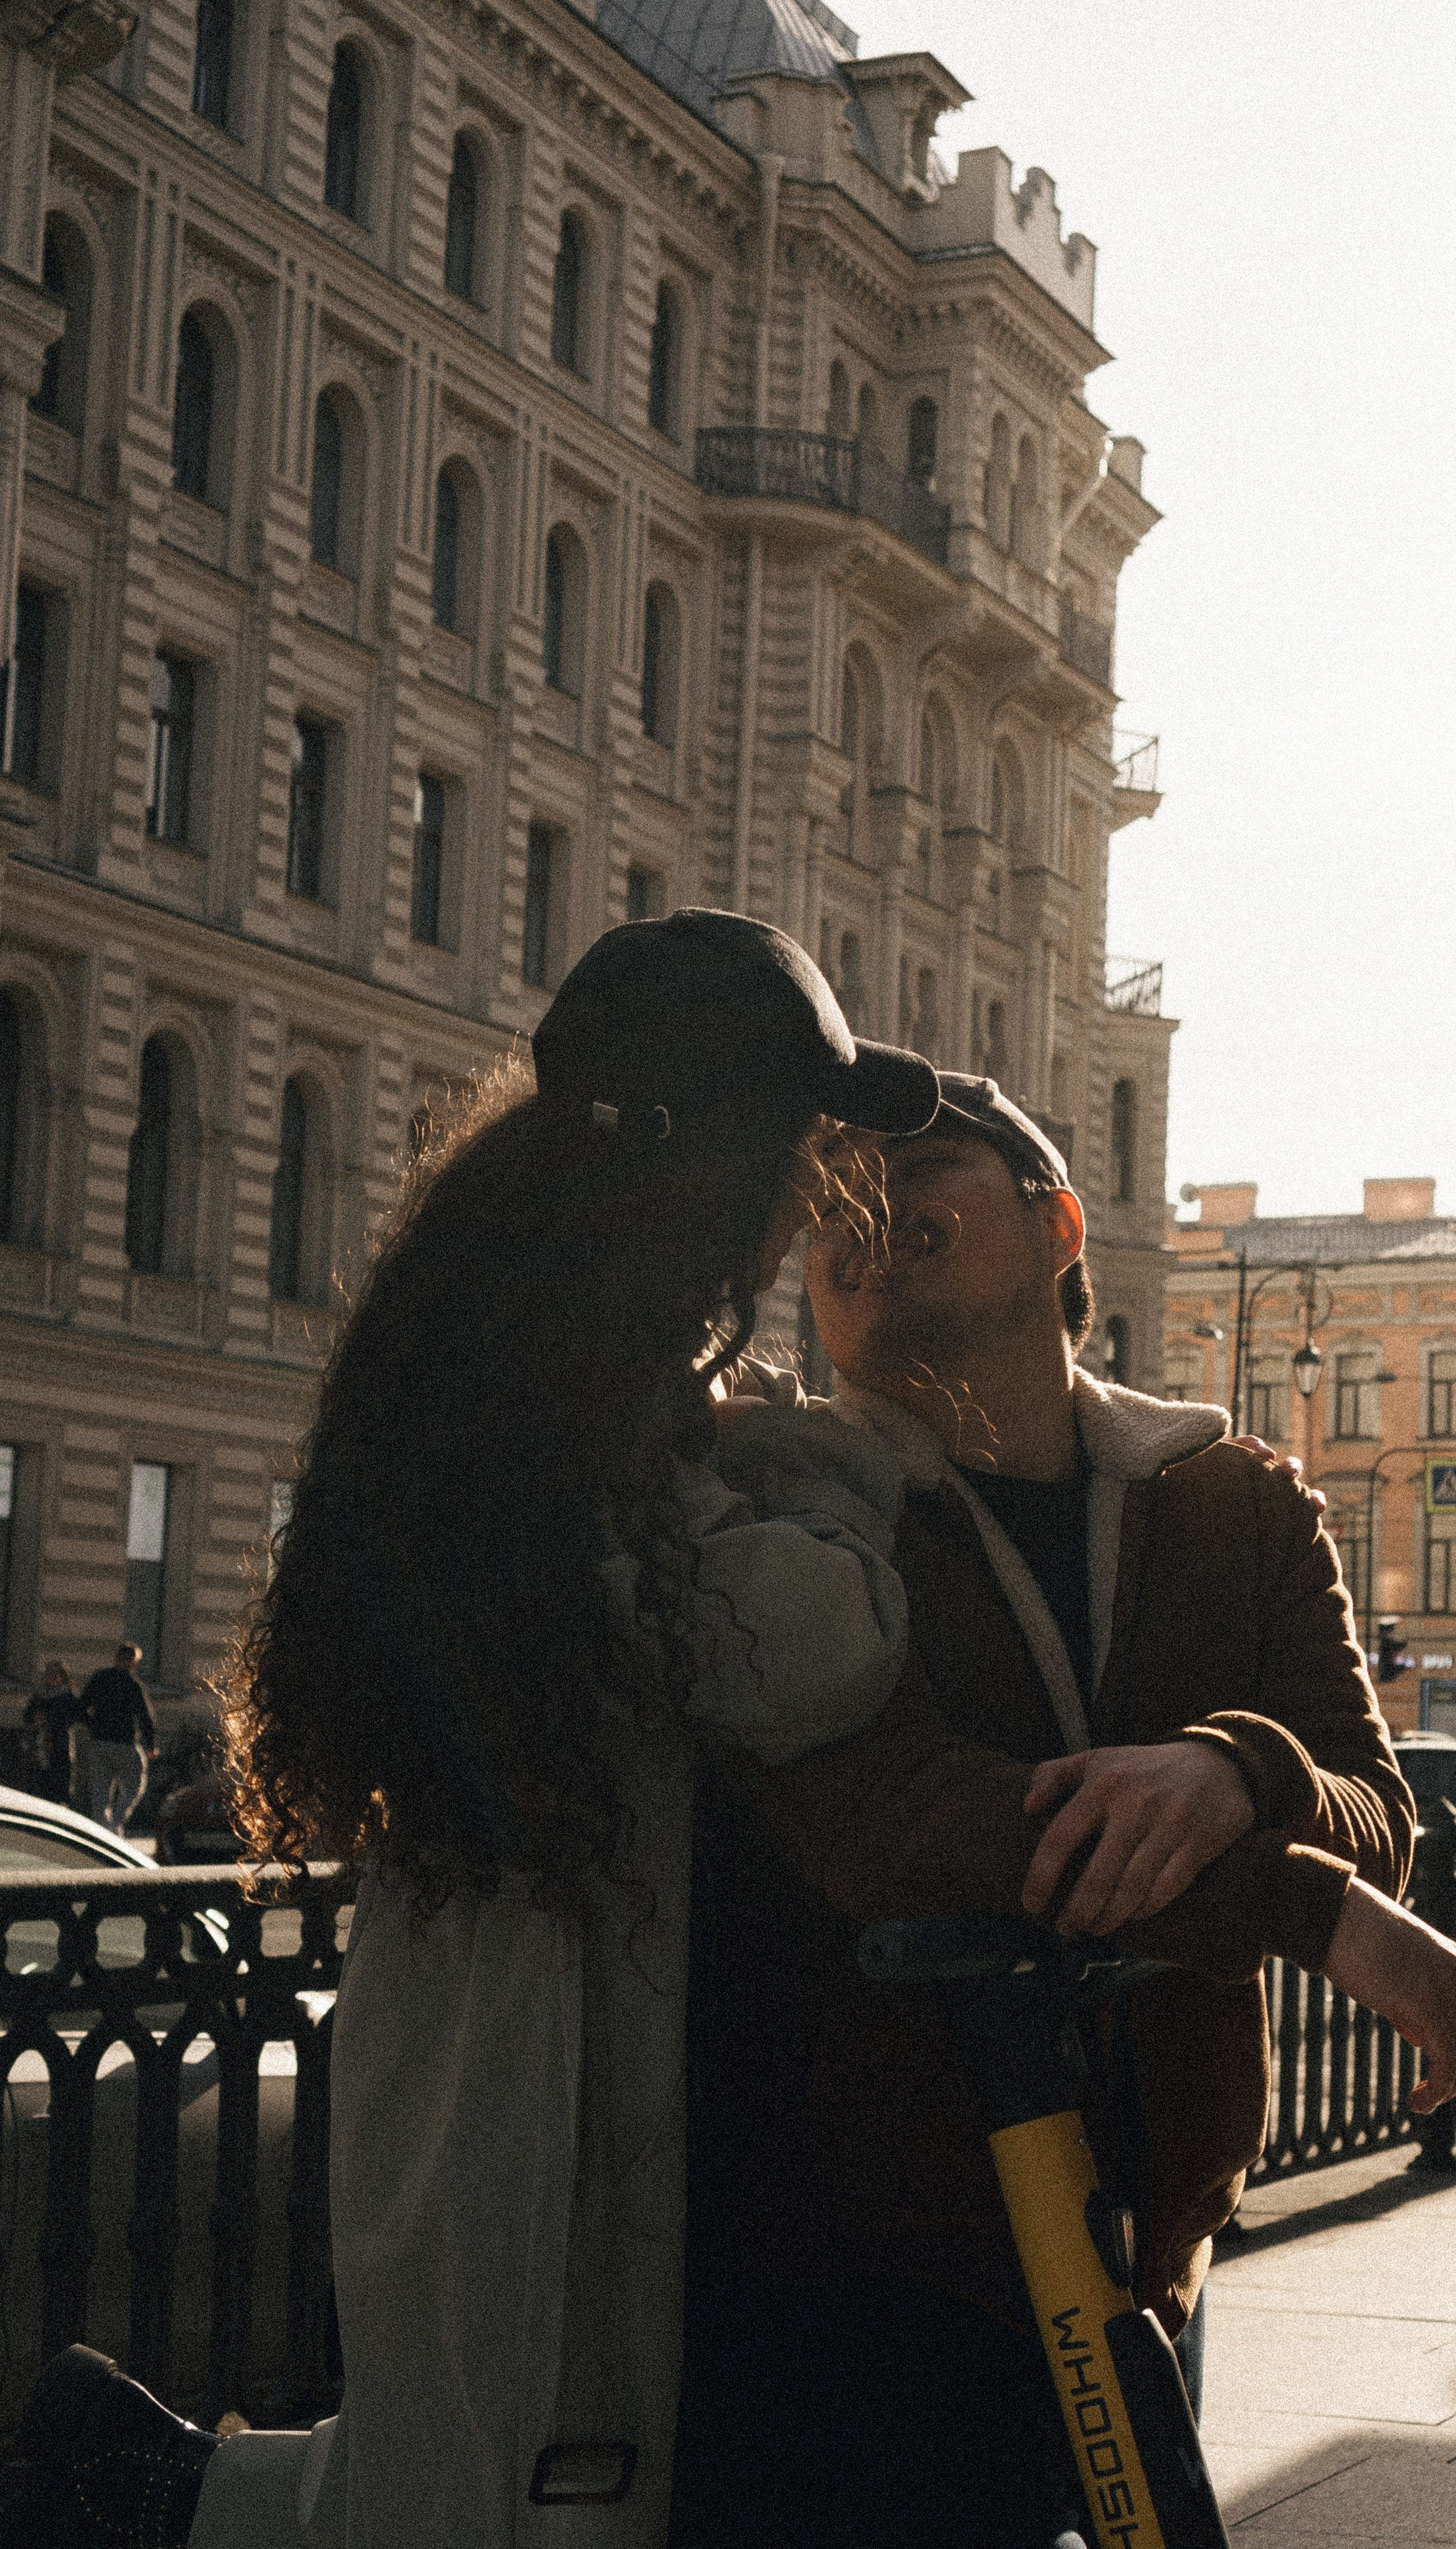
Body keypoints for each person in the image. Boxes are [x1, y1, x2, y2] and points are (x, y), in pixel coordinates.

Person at [5, 911, 941, 2549]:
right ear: (702, 1160)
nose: (819, 1184)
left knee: (465, 2480)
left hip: (499, 2031)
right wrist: (842, 1459)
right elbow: (809, 1651)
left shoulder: (513, 1369)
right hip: (546, 2085)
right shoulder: (591, 1429)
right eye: (798, 1139)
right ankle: (156, 2492)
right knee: (514, 2493)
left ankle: (158, 2483)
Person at [669, 1073, 1456, 2549]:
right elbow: (887, 1817)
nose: (860, 1211)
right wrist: (1301, 1911)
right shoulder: (786, 1497)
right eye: (828, 1200)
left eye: (916, 1168)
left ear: (1059, 1222)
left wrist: (1235, 1765)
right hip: (861, 2281)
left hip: (1148, 2253)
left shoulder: (1234, 1499)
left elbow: (1378, 1807)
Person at [79, 1643, 156, 1833]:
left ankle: (102, 1829)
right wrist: (151, 1745)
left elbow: (80, 1706)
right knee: (135, 1785)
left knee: (100, 1792)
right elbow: (145, 1717)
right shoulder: (133, 1684)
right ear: (133, 1662)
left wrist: (93, 1725)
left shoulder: (100, 1678)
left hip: (99, 1743)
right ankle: (116, 1823)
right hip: (125, 1744)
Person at [22, 1657, 85, 1808]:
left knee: (60, 1781)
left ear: (63, 1677)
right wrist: (35, 1718)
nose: (52, 1678)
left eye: (57, 1674)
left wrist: (50, 1719)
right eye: (50, 1674)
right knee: (39, 1780)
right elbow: (27, 1716)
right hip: (39, 1745)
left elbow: (73, 1718)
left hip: (59, 1744)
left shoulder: (67, 1696)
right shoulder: (40, 1695)